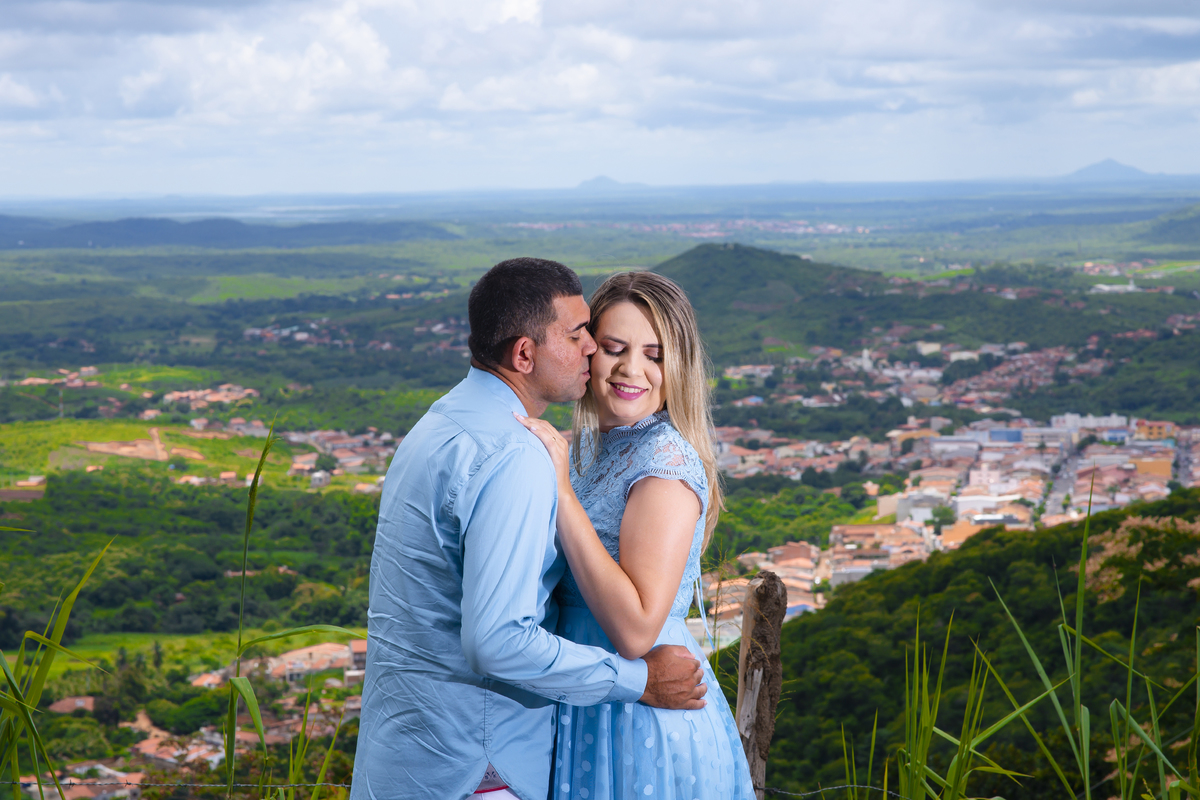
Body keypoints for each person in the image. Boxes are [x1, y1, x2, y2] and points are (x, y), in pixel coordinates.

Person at [350, 258, 708, 800]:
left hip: (408, 751)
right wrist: (642, 681)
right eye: (581, 336)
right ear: (524, 353)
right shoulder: (517, 454)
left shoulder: (439, 422)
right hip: (481, 760)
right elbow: (498, 641)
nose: (590, 348)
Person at [517, 271, 756, 799]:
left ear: (678, 369)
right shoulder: (586, 446)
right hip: (588, 698)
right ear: (587, 353)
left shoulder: (663, 464)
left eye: (654, 354)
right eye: (613, 348)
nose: (632, 369)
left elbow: (635, 631)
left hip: (645, 717)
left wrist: (559, 489)